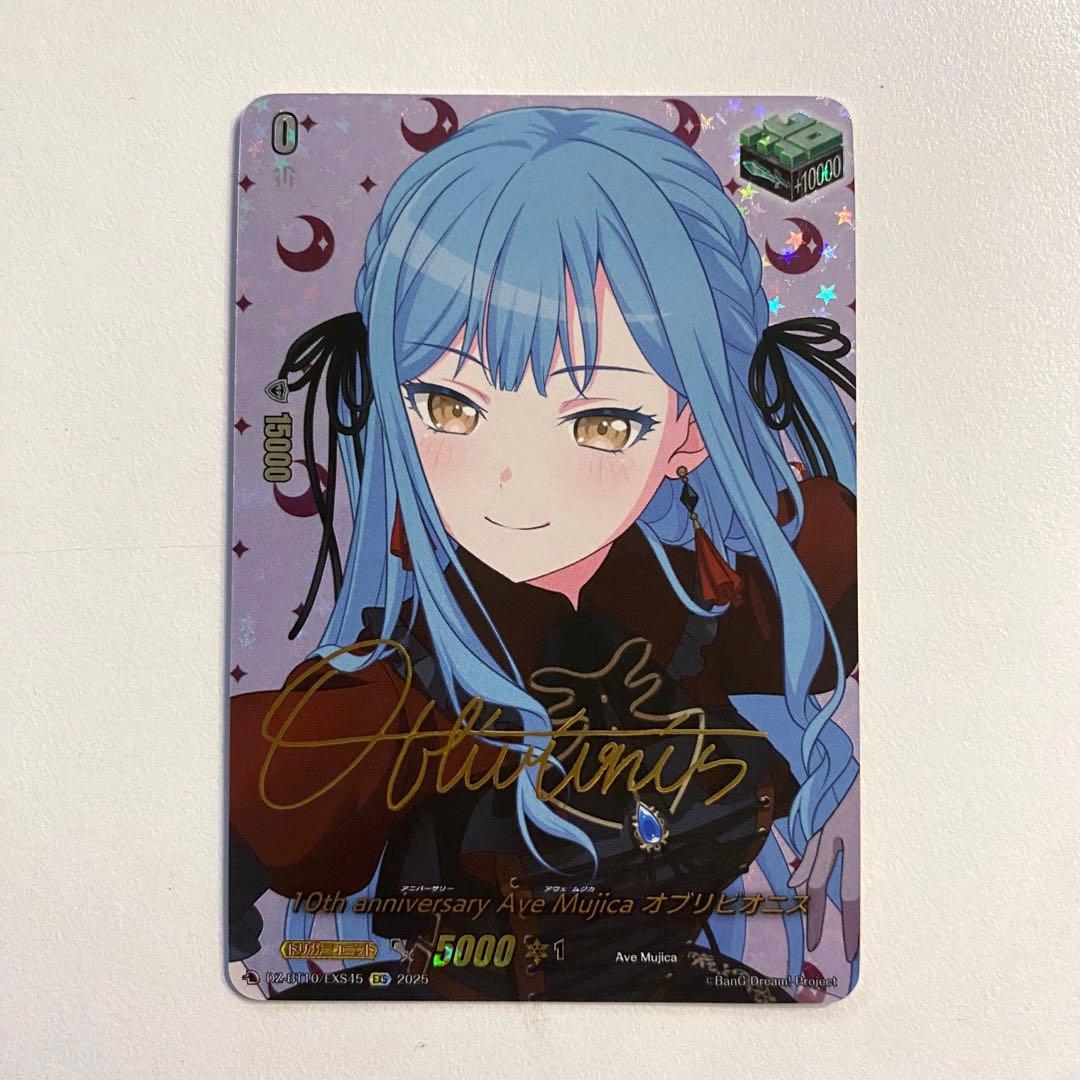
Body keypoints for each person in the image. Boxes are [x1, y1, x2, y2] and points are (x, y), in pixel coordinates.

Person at [230, 106, 859, 1001]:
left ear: (688, 430)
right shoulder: (394, 687)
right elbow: (248, 825)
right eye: (451, 408)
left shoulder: (717, 607)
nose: (512, 484)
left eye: (600, 423)